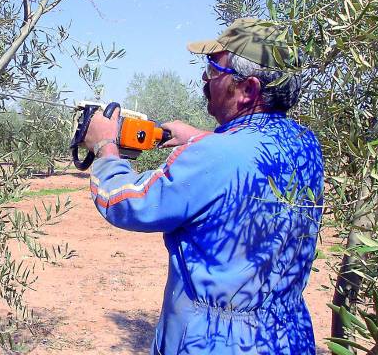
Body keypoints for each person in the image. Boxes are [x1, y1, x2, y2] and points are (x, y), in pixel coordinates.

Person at [83, 18, 324, 354]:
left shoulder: (213, 157)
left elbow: (125, 202)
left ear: (248, 90)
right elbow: (246, 157)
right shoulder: (304, 144)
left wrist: (105, 146)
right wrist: (200, 138)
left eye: (213, 68)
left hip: (213, 341)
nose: (205, 78)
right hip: (286, 337)